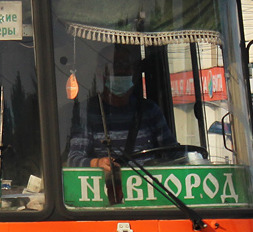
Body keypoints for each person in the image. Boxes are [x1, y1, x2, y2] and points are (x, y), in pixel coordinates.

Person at [66, 43, 174, 172]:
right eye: (115, 65)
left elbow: (173, 152)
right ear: (100, 72)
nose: (121, 71)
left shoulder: (150, 110)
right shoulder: (86, 112)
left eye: (126, 65)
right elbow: (74, 159)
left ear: (133, 71)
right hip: (109, 188)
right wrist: (97, 163)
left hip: (151, 187)